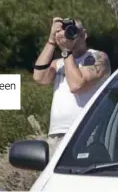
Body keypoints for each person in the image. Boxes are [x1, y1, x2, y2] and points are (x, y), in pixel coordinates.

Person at [33, 17, 111, 156]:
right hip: (57, 134)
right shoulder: (59, 63)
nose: (69, 36)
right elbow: (39, 77)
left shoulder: (98, 58)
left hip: (86, 132)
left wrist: (66, 52)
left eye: (72, 31)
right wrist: (51, 41)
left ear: (84, 35)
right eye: (65, 32)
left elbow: (76, 85)